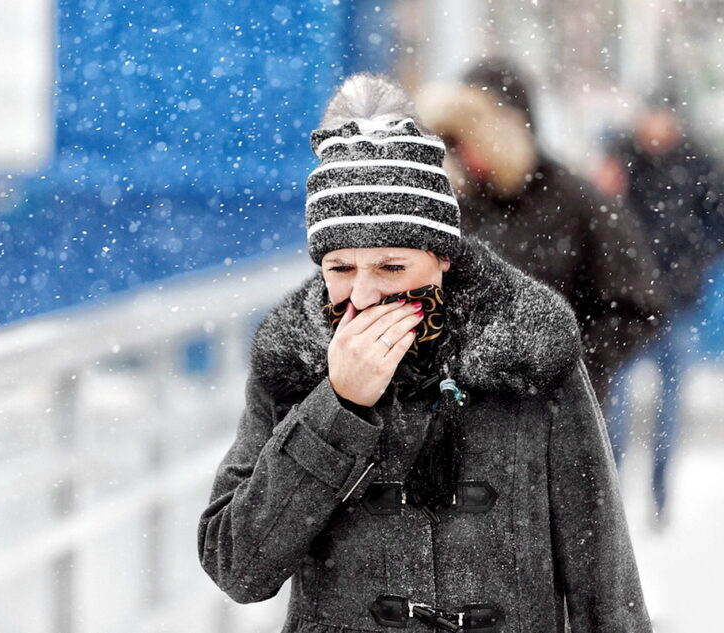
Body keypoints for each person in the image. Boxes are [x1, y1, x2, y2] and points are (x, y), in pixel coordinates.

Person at [198, 73, 651, 633]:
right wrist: (336, 408)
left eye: (391, 267)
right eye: (340, 268)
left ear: (443, 259)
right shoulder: (296, 357)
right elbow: (237, 568)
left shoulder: (530, 347)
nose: (363, 295)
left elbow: (601, 576)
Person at [413, 57, 665, 411]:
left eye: (471, 139)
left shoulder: (577, 203)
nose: (464, 154)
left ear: (510, 132)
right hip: (460, 422)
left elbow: (638, 304)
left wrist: (571, 370)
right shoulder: (448, 202)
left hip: (557, 427)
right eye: (454, 142)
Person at [595, 91, 724, 521]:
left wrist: (694, 260)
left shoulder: (698, 163)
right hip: (630, 305)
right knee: (617, 402)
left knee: (670, 404)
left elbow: (716, 224)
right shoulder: (623, 159)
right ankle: (614, 492)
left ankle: (659, 492)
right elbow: (600, 218)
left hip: (678, 302)